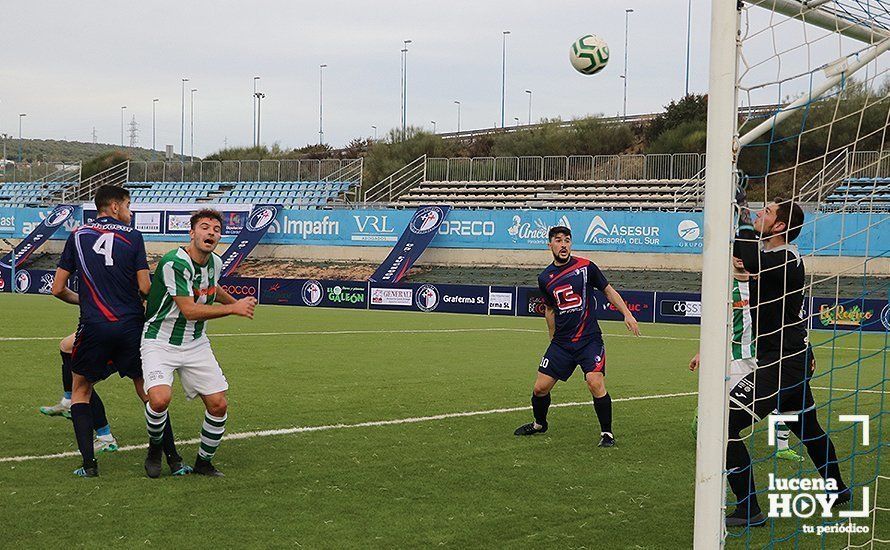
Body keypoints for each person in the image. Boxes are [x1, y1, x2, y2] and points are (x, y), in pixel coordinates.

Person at [723, 197, 849, 527]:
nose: (758, 213)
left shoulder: (783, 259)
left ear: (779, 226)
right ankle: (838, 491)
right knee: (807, 429)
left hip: (780, 364)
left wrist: (734, 207)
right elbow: (747, 256)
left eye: (766, 212)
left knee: (725, 424)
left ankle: (749, 509)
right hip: (788, 359)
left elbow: (745, 245)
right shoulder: (774, 256)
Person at [52, 185, 185, 477]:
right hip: (130, 327)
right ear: (114, 207)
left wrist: (84, 300)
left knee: (81, 391)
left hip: (93, 327)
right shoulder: (134, 237)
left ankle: (89, 466)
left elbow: (57, 289)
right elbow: (145, 288)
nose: (131, 211)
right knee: (149, 392)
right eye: (128, 205)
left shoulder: (77, 236)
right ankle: (174, 460)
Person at [141, 208, 256, 478]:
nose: (211, 233)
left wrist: (235, 302)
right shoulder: (174, 262)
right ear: (192, 233)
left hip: (195, 342)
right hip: (159, 340)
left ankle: (204, 462)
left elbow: (212, 289)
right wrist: (233, 310)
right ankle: (155, 448)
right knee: (159, 400)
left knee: (219, 404)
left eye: (216, 230)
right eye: (205, 227)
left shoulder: (215, 263)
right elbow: (189, 310)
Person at [514, 225, 640, 447]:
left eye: (567, 240)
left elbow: (608, 291)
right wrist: (552, 338)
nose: (563, 245)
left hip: (589, 339)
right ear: (550, 244)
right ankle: (539, 424)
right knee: (539, 388)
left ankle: (607, 433)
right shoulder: (545, 278)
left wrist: (627, 314)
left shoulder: (586, 267)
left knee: (594, 381)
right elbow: (550, 309)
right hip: (562, 343)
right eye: (559, 240)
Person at [689, 257, 803, 462]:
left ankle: (783, 448)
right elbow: (714, 326)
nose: (741, 258)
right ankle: (704, 421)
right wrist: (702, 352)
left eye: (745, 251)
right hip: (736, 358)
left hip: (765, 355)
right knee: (727, 411)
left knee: (782, 400)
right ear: (730, 253)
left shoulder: (763, 283)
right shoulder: (723, 288)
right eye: (737, 252)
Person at [39, 332, 118, 453]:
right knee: (66, 346)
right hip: (102, 325)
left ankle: (106, 439)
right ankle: (68, 402)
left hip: (123, 332)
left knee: (82, 383)